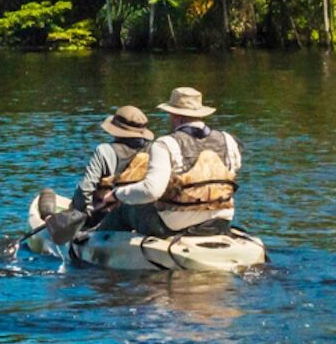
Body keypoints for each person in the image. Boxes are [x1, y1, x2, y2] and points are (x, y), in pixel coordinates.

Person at [102, 86, 242, 237]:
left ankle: (91, 243)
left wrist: (117, 195)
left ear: (176, 116)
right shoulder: (229, 140)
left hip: (174, 224)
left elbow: (152, 190)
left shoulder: (165, 144)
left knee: (124, 208)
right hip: (220, 220)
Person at [68, 105, 153, 217]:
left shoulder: (104, 151)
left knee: (53, 193)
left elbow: (86, 188)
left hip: (106, 215)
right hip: (139, 215)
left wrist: (83, 211)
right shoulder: (153, 150)